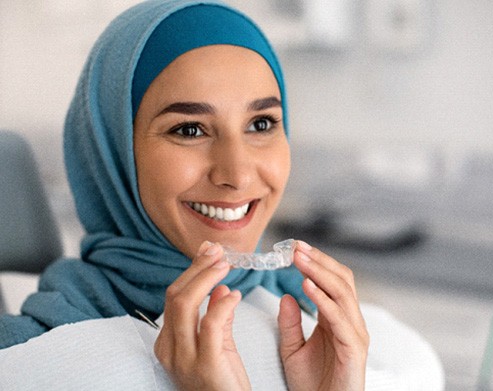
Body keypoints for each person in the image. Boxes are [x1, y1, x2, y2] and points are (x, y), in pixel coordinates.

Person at [0, 1, 444, 390]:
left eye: (261, 124)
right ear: (111, 151)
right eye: (189, 130)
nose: (236, 174)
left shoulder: (325, 331)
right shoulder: (30, 356)